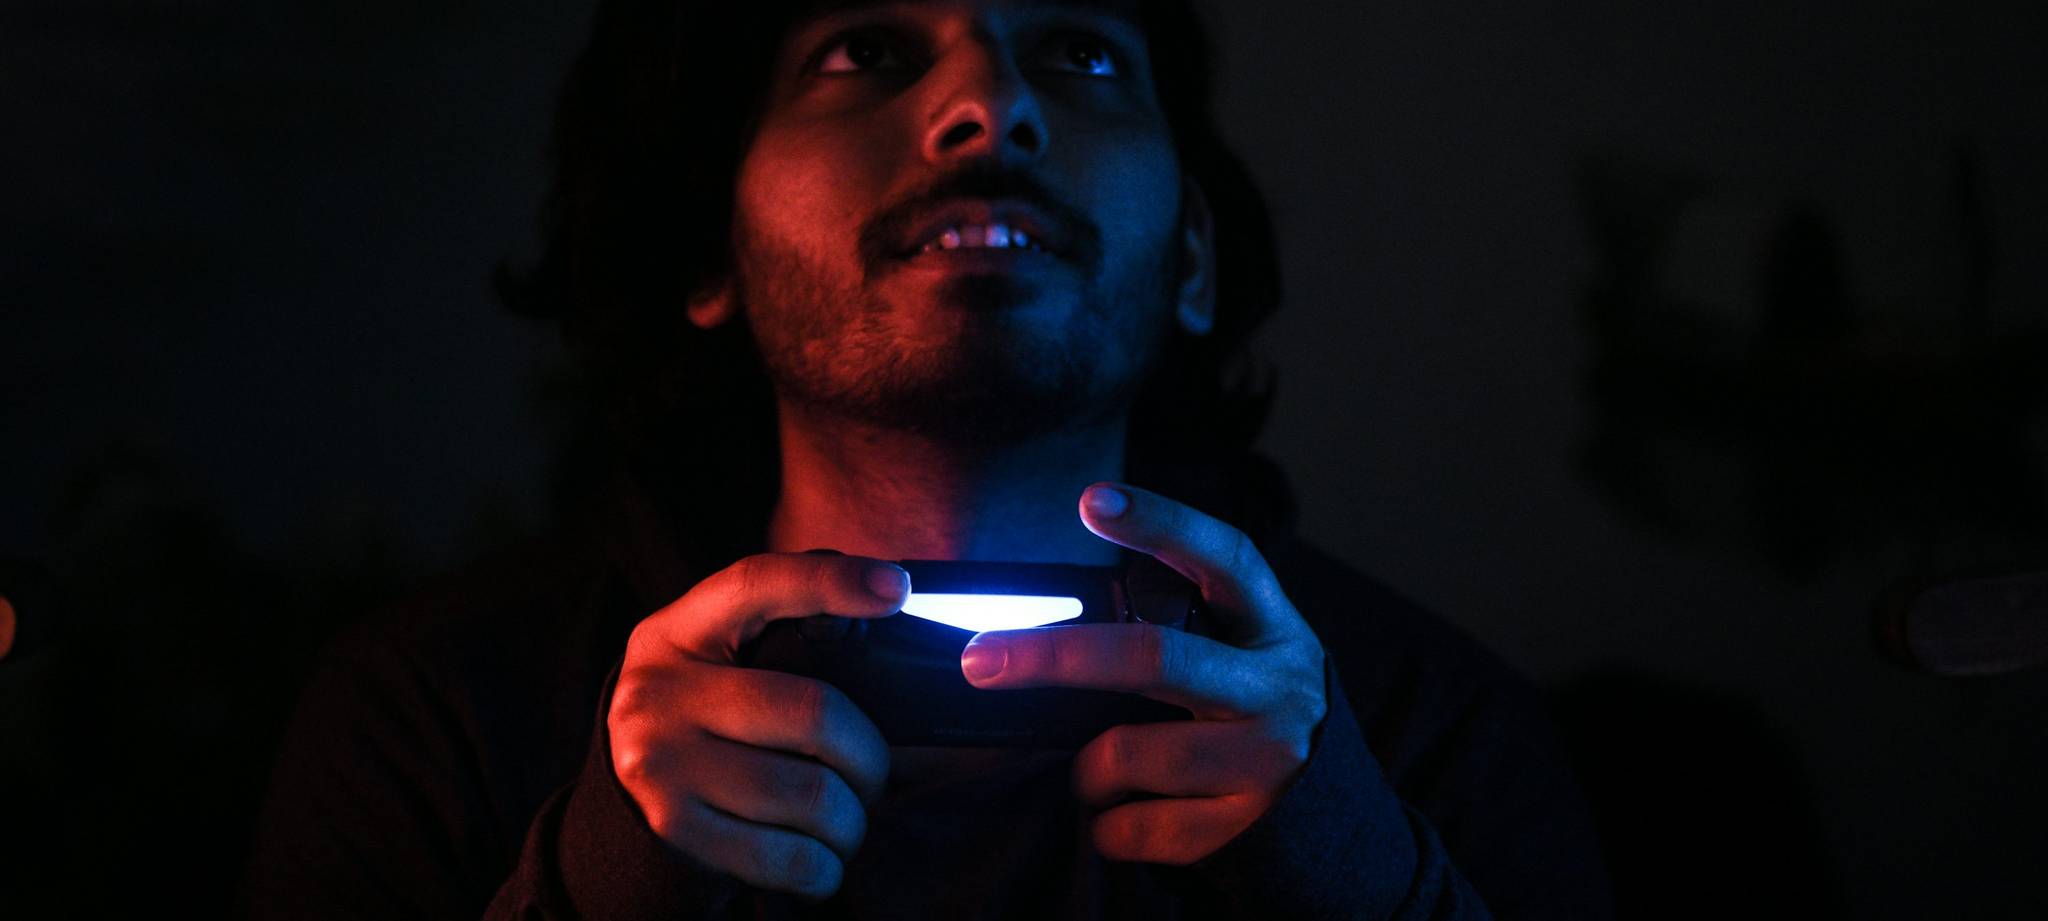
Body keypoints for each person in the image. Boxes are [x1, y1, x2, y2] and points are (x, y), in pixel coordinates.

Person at [240, 0, 1613, 918]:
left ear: (1193, 253)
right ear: (710, 250)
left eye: (1080, 53)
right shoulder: (432, 718)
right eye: (867, 51)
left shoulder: (1432, 731)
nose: (989, 102)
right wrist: (597, 883)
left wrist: (1366, 875)